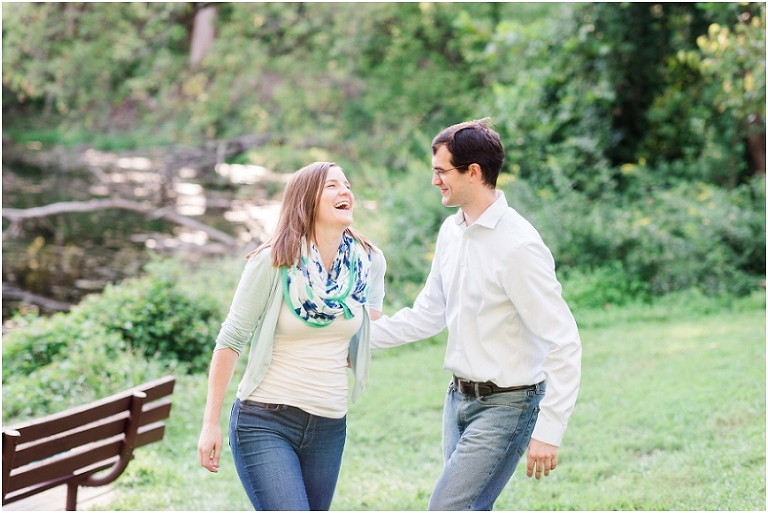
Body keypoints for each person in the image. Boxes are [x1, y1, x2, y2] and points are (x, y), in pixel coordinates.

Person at [370, 119, 581, 510]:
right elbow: (428, 315)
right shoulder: (452, 232)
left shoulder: (518, 247)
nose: (435, 181)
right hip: (457, 402)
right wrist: (353, 334)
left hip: (508, 406)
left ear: (473, 172)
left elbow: (564, 341)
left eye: (441, 172)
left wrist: (550, 430)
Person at [197, 161, 386, 511]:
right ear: (306, 200)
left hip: (329, 425)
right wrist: (210, 424)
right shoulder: (273, 261)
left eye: (347, 184)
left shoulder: (368, 263)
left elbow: (366, 327)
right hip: (265, 421)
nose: (346, 191)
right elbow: (231, 340)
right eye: (332, 186)